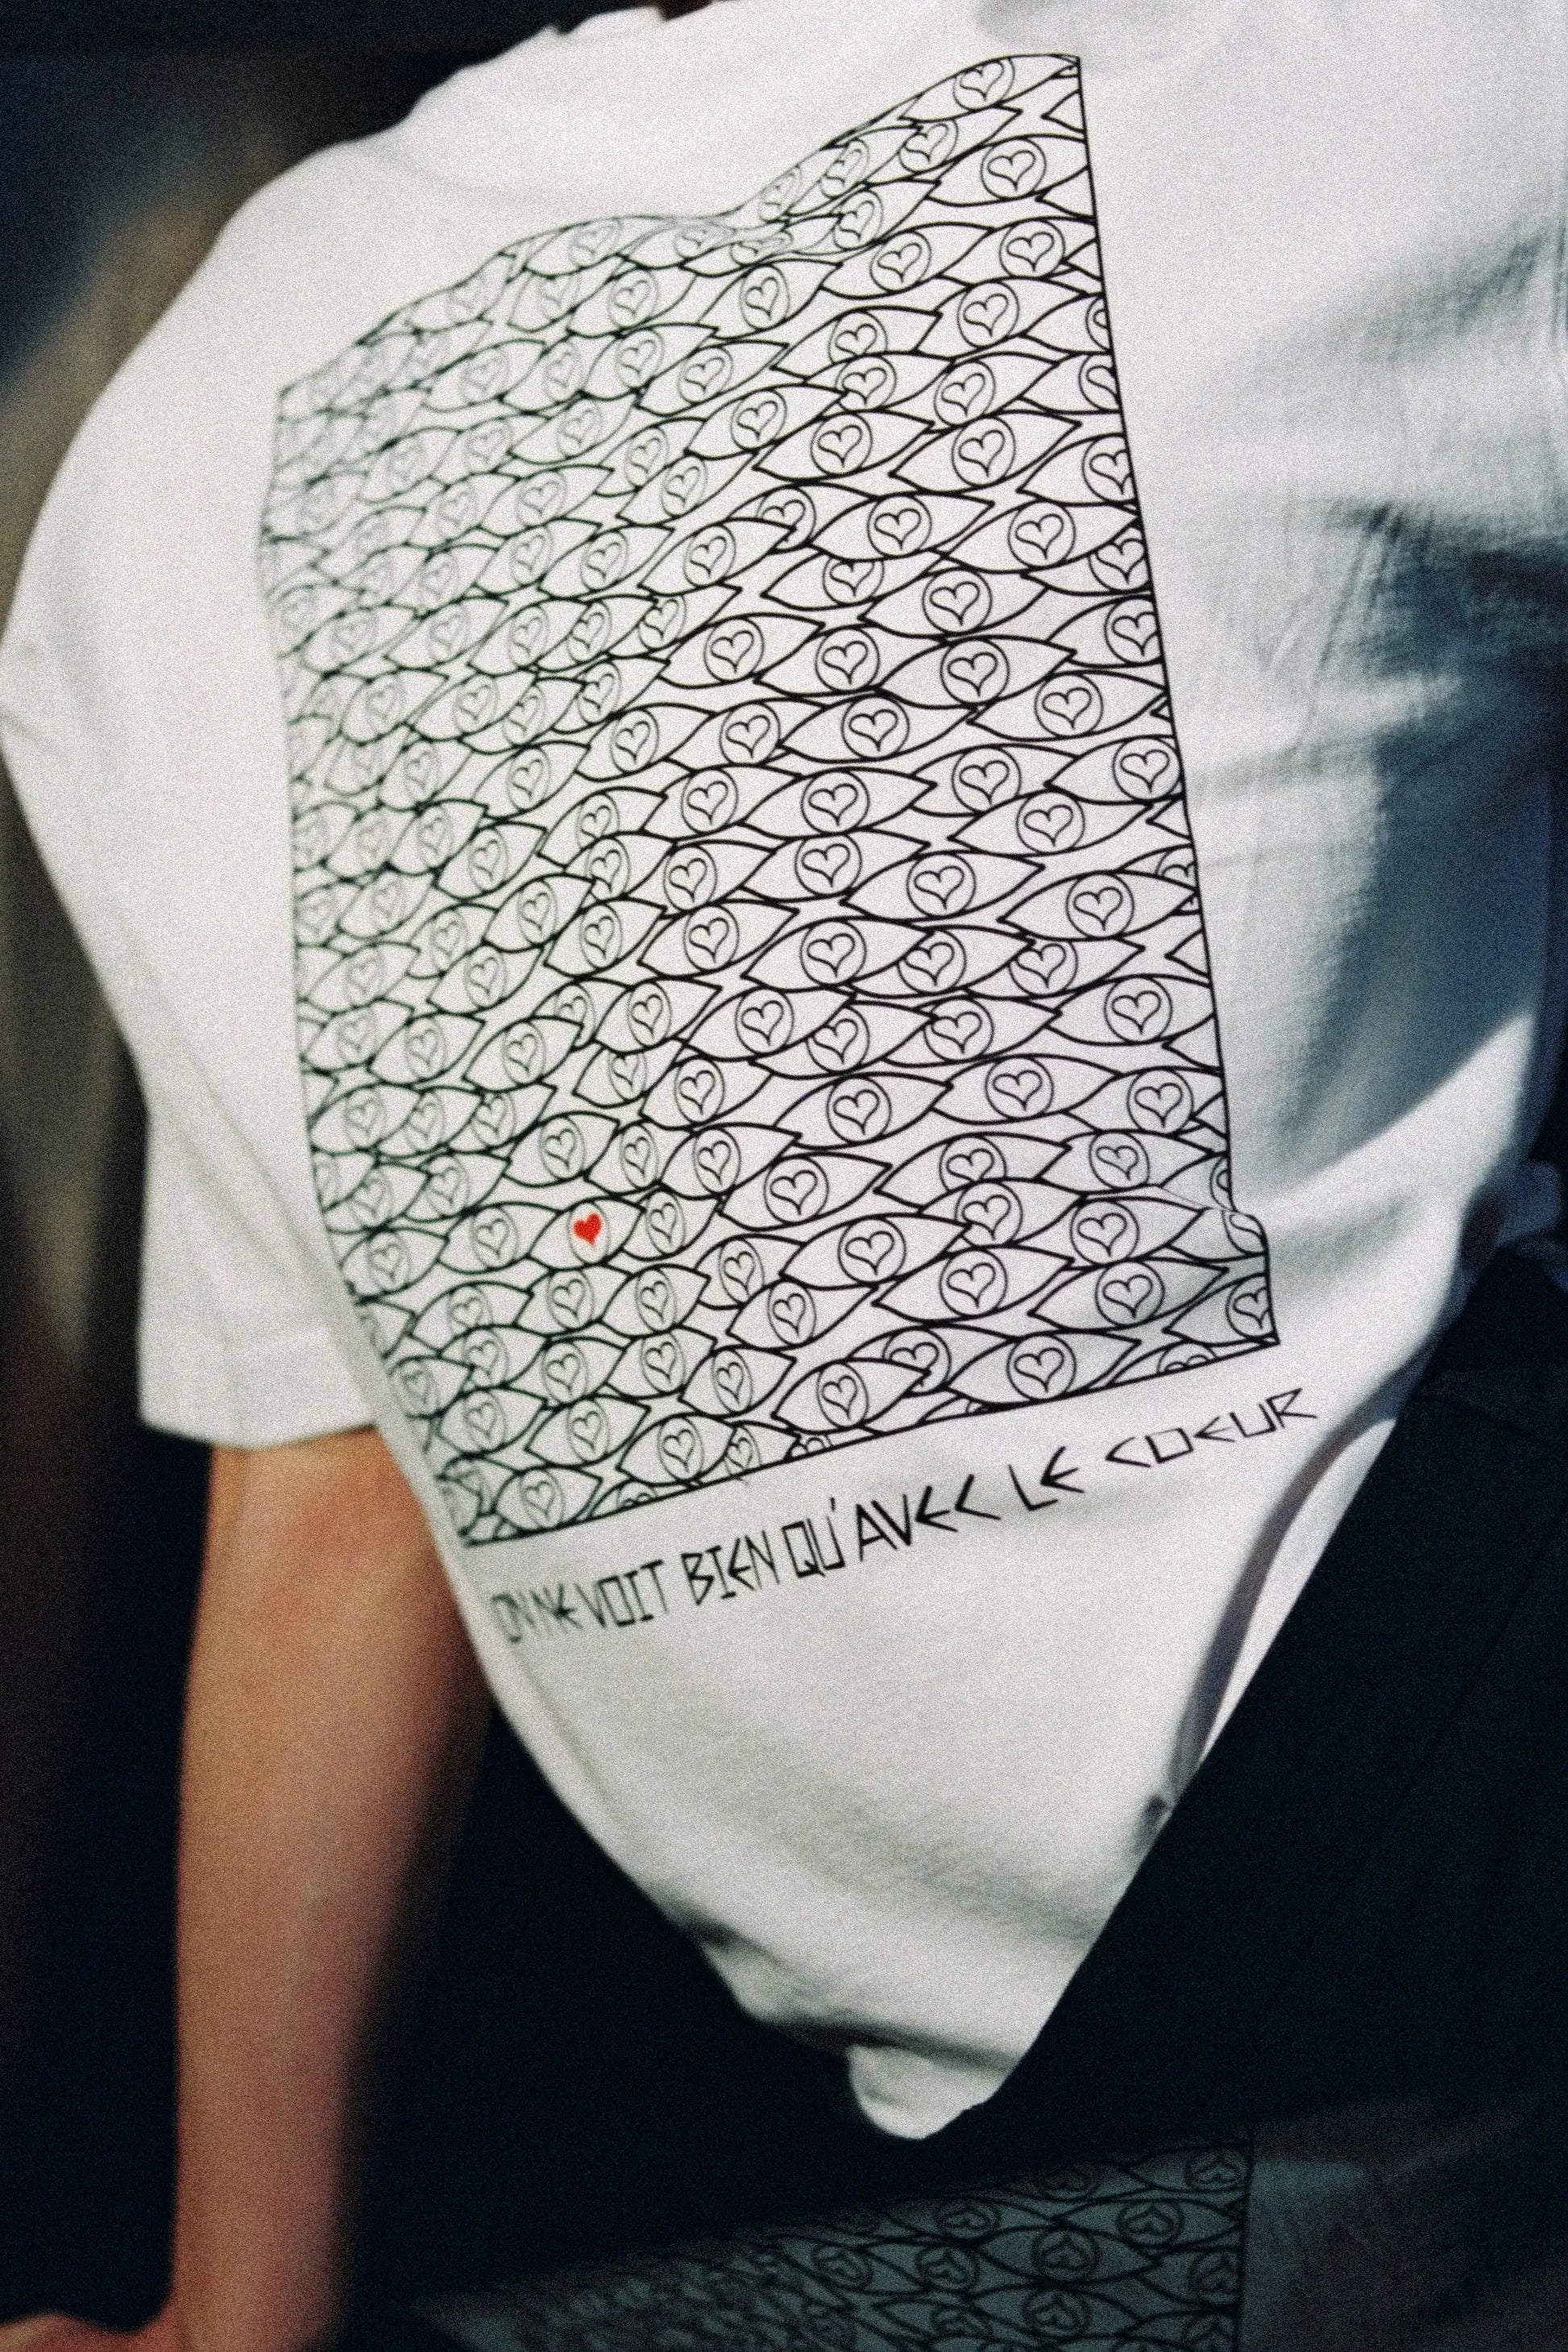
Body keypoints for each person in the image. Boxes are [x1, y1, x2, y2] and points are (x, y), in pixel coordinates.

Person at [4, 0, 1568, 2342]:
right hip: (1036, 2088)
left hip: (1448, 1717)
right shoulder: (194, 425)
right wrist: (242, 2303)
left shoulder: (1398, 71)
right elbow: (335, 1456)